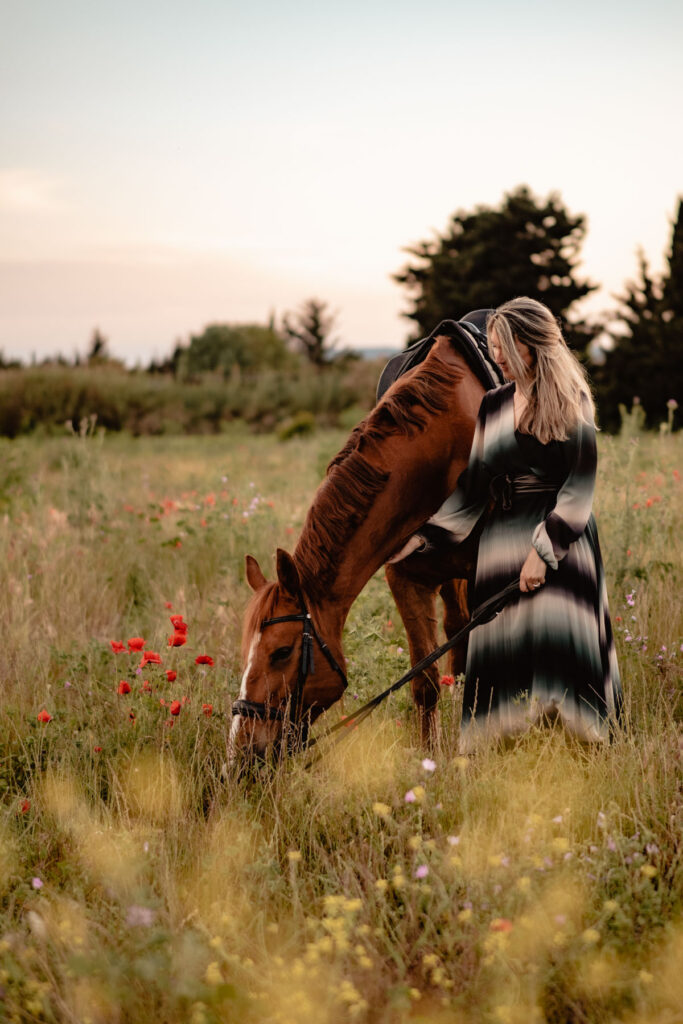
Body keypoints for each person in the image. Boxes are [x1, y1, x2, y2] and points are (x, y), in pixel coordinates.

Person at [391, 297, 623, 751]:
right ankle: (505, 745)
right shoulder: (494, 404)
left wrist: (543, 553)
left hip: (561, 539)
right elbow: (473, 488)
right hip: (500, 539)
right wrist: (421, 540)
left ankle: (577, 743)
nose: (494, 354)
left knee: (559, 634)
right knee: (502, 639)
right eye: (492, 344)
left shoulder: (572, 400)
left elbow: (578, 487)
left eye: (502, 345)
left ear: (530, 344)